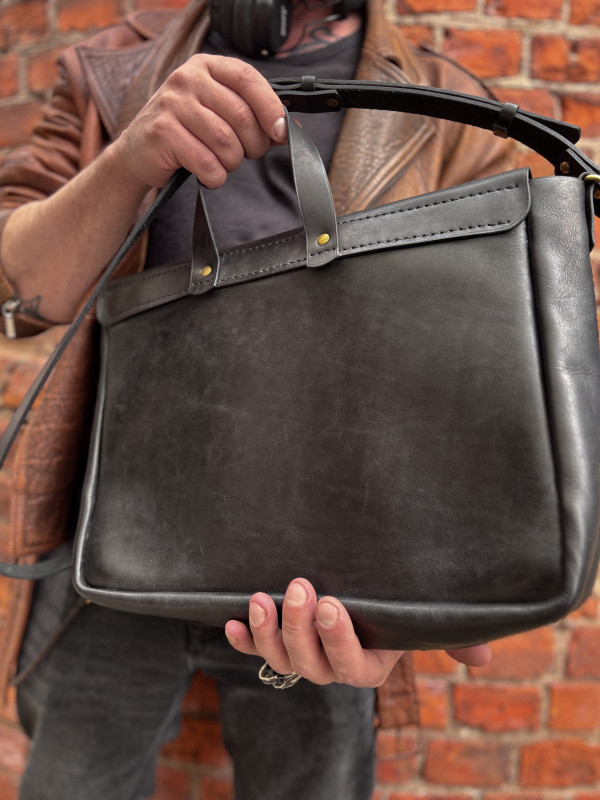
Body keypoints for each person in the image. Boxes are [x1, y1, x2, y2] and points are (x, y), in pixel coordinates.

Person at [0, 0, 516, 797]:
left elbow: (480, 368)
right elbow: (20, 290)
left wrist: (424, 587)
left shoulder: (450, 111)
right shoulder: (111, 70)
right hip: (109, 550)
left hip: (331, 577)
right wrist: (130, 157)